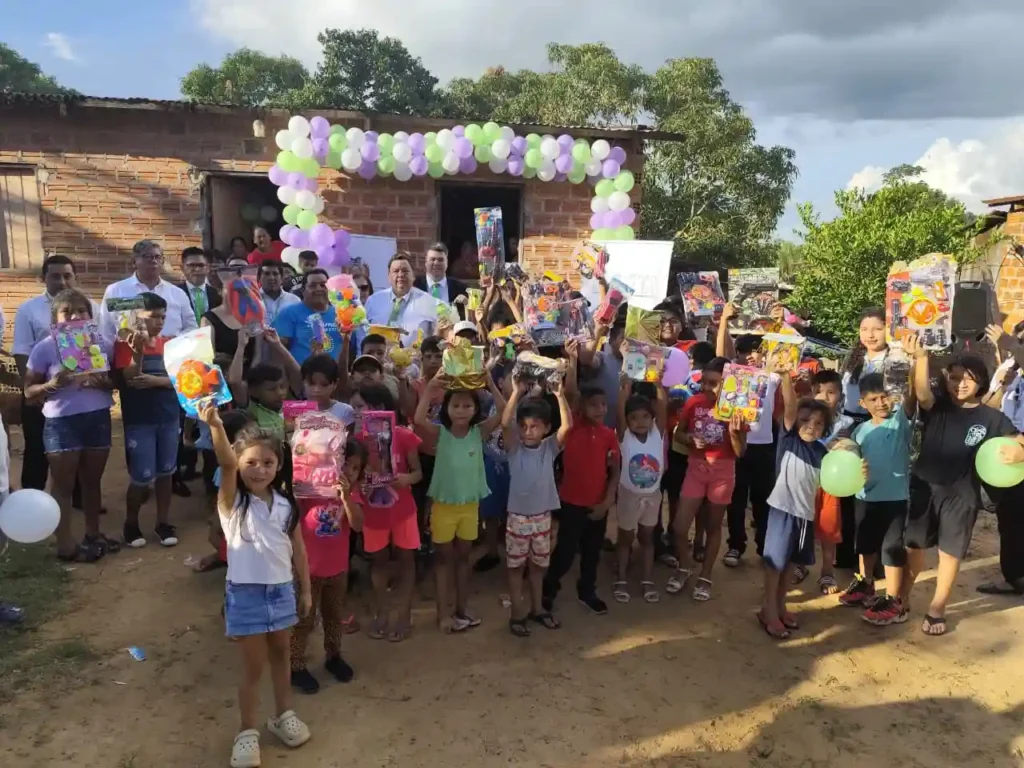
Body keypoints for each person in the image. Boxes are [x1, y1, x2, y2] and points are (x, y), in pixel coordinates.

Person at [198, 403, 312, 767]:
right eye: (251, 463)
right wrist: (216, 426)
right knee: (253, 667)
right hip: (245, 594)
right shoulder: (232, 504)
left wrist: (305, 589)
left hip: (281, 591)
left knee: (282, 653)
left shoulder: (285, 504)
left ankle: (283, 715)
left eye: (268, 463)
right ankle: (247, 731)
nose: (259, 469)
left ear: (279, 465)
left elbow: (299, 549)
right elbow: (226, 464)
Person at [905, 342, 1024, 636]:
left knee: (950, 552)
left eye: (967, 378)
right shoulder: (937, 407)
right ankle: (900, 597)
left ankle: (937, 608)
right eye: (954, 377)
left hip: (962, 495)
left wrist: (1021, 452)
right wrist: (921, 358)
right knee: (913, 545)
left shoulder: (992, 418)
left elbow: (1019, 438)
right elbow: (921, 394)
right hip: (923, 487)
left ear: (981, 381)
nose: (960, 384)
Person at [24, 289, 117, 562]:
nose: (75, 316)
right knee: (63, 486)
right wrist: (52, 385)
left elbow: (120, 381)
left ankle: (93, 534)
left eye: (82, 311)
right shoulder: (45, 347)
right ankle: (64, 543)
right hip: (61, 423)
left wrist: (107, 383)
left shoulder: (104, 343)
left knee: (92, 482)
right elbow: (28, 391)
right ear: (55, 318)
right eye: (67, 311)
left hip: (98, 418)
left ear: (91, 316)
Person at [414, 369, 505, 633]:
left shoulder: (480, 431)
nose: (462, 410)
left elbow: (502, 409)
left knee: (464, 559)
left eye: (467, 405)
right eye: (456, 405)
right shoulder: (440, 433)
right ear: (447, 407)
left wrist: (489, 383)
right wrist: (430, 387)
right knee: (442, 561)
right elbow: (419, 419)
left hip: (469, 507)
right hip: (443, 508)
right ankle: (444, 614)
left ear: (476, 409)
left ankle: (462, 610)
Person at [839, 361, 918, 627]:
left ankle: (895, 601)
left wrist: (915, 361)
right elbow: (849, 463)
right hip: (864, 498)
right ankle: (866, 584)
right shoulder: (859, 432)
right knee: (865, 544)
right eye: (874, 399)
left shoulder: (900, 422)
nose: (881, 403)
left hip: (894, 498)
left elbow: (912, 397)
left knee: (891, 548)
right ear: (863, 403)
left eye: (885, 397)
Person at [758, 363, 833, 640]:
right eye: (805, 421)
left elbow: (833, 480)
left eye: (818, 423)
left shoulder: (822, 452)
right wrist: (785, 378)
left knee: (790, 564)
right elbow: (790, 408)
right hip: (781, 511)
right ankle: (768, 610)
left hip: (805, 516)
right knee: (774, 564)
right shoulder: (789, 440)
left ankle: (779, 606)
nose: (810, 427)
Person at [289, 440, 366, 694]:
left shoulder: (353, 495)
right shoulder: (310, 490)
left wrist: (346, 497)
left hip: (337, 569)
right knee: (303, 620)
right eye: (345, 465)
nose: (349, 472)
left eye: (355, 469)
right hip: (307, 570)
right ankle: (296, 665)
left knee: (334, 617)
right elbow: (293, 517)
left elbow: (357, 525)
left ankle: (333, 656)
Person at [668, 356, 746, 602]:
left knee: (713, 527)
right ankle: (685, 565)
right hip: (695, 469)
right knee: (680, 527)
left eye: (714, 383)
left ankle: (706, 575)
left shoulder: (739, 409)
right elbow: (679, 434)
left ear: (728, 384)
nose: (707, 388)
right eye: (705, 382)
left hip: (723, 473)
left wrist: (734, 433)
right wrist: (690, 439)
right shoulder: (694, 402)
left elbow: (741, 452)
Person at [350, 384, 423, 642]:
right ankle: (382, 612)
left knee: (406, 561)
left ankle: (404, 614)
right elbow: (352, 478)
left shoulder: (403, 436)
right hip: (373, 515)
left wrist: (406, 478)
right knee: (378, 562)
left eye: (360, 406)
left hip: (403, 511)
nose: (355, 412)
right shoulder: (356, 443)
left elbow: (418, 473)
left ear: (379, 409)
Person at [13, 254, 92, 493]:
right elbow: (21, 351)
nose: (62, 281)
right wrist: (37, 390)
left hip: (79, 394)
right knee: (38, 448)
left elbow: (94, 346)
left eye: (67, 275)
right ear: (43, 278)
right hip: (42, 392)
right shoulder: (29, 309)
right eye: (55, 276)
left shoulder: (88, 307)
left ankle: (79, 497)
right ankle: (31, 499)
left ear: (74, 277)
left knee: (80, 447)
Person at [501, 377, 572, 637]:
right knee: (515, 568)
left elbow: (567, 427)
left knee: (538, 567)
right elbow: (504, 423)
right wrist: (516, 393)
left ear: (546, 428)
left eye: (534, 426)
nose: (528, 431)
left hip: (542, 518)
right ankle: (516, 614)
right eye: (524, 426)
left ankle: (537, 609)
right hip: (517, 519)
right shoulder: (514, 448)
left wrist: (559, 395)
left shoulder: (549, 448)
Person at [543, 384, 620, 616]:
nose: (600, 409)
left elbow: (615, 471)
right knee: (565, 551)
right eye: (594, 405)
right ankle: (548, 588)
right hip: (570, 503)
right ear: (581, 407)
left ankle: (587, 591)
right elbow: (570, 394)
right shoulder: (571, 429)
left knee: (592, 551)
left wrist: (606, 503)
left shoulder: (609, 435)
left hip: (598, 505)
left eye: (603, 405)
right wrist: (573, 359)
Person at [112, 292, 181, 548]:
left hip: (169, 417)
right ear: (137, 317)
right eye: (153, 317)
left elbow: (185, 379)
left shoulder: (172, 344)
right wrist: (138, 352)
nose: (159, 322)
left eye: (163, 316)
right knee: (141, 478)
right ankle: (131, 524)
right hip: (139, 420)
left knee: (166, 473)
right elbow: (131, 379)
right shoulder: (123, 345)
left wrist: (158, 382)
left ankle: (163, 523)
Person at [718, 304, 781, 567]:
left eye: (757, 351)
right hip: (736, 443)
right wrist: (723, 319)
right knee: (735, 499)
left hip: (765, 446)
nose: (751, 357)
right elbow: (721, 353)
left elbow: (785, 349)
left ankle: (765, 546)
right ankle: (735, 546)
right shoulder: (733, 373)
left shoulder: (773, 376)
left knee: (762, 501)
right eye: (745, 352)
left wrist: (778, 322)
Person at [613, 367, 670, 605]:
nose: (640, 422)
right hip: (628, 495)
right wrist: (624, 388)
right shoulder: (624, 436)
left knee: (647, 538)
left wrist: (657, 383)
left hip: (652, 496)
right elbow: (619, 409)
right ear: (627, 421)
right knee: (626, 539)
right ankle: (622, 578)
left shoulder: (658, 433)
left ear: (652, 419)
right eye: (634, 418)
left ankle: (647, 579)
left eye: (645, 417)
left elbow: (662, 405)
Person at [979, 322, 1024, 596]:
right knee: (1011, 519)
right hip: (1007, 455)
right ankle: (1015, 576)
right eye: (1019, 339)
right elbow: (989, 406)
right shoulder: (1010, 371)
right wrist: (1001, 387)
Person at [99, 240, 197, 341]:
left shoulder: (177, 294)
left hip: (171, 353)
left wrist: (174, 340)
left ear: (162, 261)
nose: (153, 260)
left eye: (157, 257)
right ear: (134, 262)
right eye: (147, 256)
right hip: (130, 353)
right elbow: (105, 331)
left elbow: (192, 328)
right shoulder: (116, 291)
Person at [810, 369, 852, 594]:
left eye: (830, 392)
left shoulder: (846, 423)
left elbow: (849, 452)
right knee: (803, 526)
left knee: (829, 529)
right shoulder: (804, 420)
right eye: (818, 392)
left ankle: (827, 572)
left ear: (840, 395)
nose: (824, 397)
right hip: (807, 482)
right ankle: (799, 564)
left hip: (831, 486)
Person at [364, 252, 441, 347]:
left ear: (413, 276)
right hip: (378, 360)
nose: (400, 275)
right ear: (389, 277)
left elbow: (439, 337)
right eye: (396, 271)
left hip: (414, 361)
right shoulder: (373, 301)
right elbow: (362, 336)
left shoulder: (429, 302)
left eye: (405, 271)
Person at [273, 270, 344, 366]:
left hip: (333, 378)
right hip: (300, 377)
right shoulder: (289, 313)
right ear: (303, 291)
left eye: (323, 285)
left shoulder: (340, 314)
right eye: (313, 286)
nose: (319, 289)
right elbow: (277, 351)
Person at [257, 259, 300, 359]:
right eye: (266, 274)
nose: (271, 277)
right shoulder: (252, 300)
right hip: (260, 356)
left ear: (281, 278)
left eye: (275, 274)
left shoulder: (294, 300)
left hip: (289, 356)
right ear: (258, 278)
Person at [413, 243, 469, 311]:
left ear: (447, 263)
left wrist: (466, 303)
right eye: (432, 259)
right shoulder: (414, 286)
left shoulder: (460, 288)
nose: (436, 263)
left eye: (441, 260)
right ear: (426, 262)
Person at [180, 247, 222, 326]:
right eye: (191, 265)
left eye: (200, 265)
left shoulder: (216, 294)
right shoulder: (175, 294)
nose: (196, 269)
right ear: (182, 268)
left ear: (208, 268)